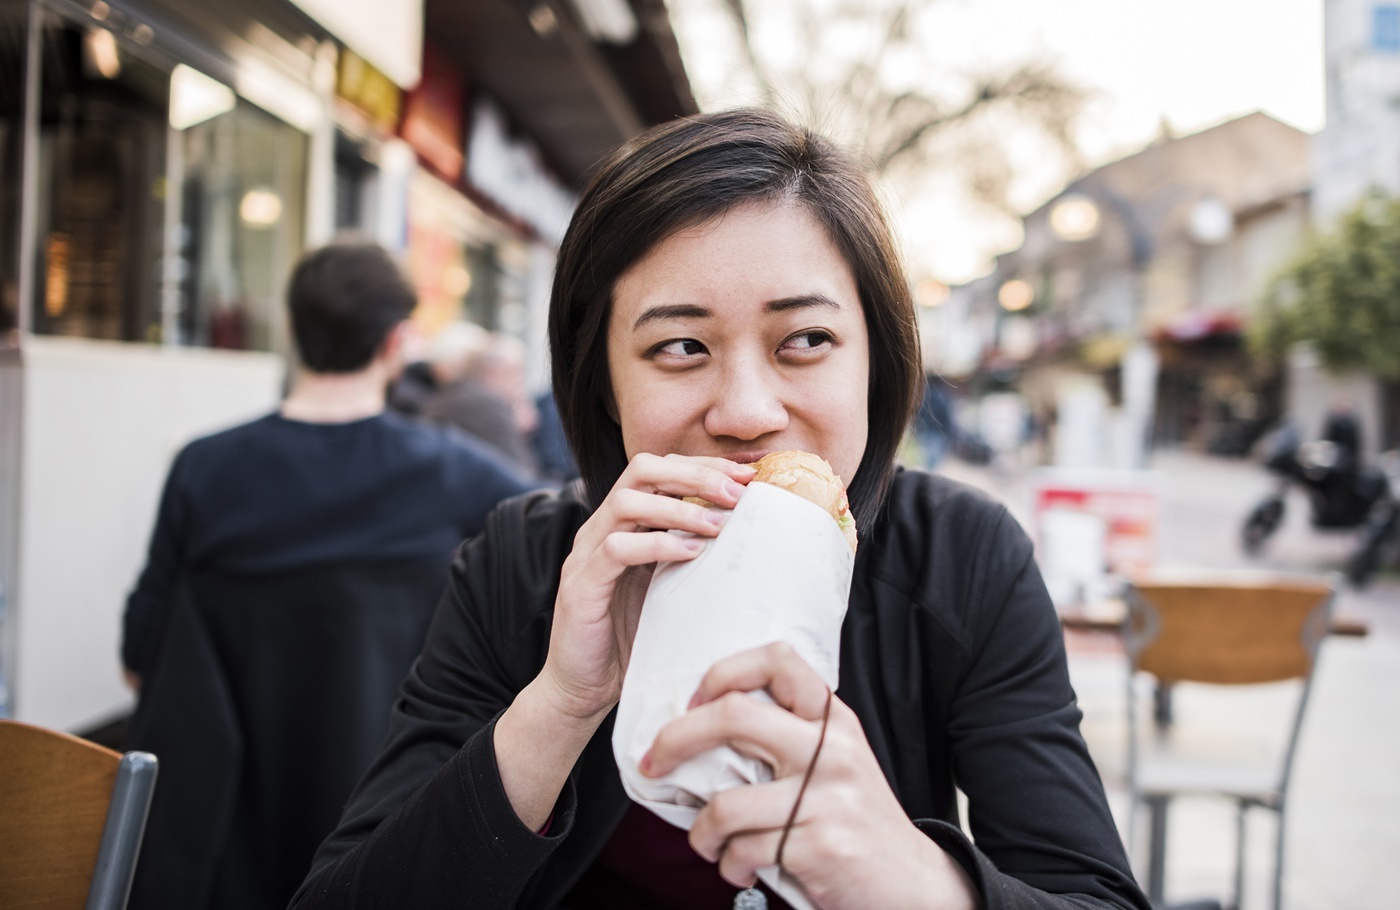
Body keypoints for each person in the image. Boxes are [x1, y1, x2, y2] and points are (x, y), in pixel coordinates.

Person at [293, 110, 1148, 910]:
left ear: (875, 364)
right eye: (680, 346)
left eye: (805, 340)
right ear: (604, 385)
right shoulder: (524, 563)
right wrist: (559, 703)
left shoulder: (959, 556)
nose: (745, 412)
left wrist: (910, 873)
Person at [121, 243, 534, 910]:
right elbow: (551, 543)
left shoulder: (204, 467)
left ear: (292, 330)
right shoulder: (449, 470)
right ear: (395, 343)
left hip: (222, 838)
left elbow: (141, 656)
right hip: (384, 821)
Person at [420, 322, 541, 478]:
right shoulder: (484, 404)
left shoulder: (451, 396)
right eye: (515, 374)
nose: (519, 384)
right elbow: (525, 475)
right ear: (493, 373)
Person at [913, 372, 957, 470]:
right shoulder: (942, 397)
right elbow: (946, 417)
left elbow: (918, 414)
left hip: (926, 432)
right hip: (937, 434)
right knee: (932, 462)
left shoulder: (925, 395)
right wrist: (948, 434)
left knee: (926, 459)